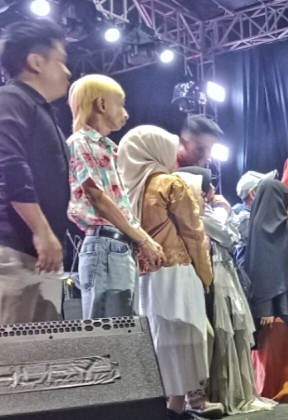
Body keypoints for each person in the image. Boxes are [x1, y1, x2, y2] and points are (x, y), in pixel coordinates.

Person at [118, 126, 212, 420]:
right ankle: (176, 407)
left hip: (145, 273)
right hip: (177, 270)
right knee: (184, 333)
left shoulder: (129, 189)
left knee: (158, 336)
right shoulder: (170, 183)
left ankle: (166, 407)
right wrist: (205, 274)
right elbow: (193, 233)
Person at [176, 168, 275, 416]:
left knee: (226, 332)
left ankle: (224, 393)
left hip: (222, 270)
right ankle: (214, 394)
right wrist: (227, 211)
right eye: (209, 185)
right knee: (221, 333)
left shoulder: (205, 211)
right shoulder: (201, 212)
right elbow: (230, 237)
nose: (213, 189)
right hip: (216, 273)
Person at [66, 74, 165, 319]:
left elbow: (119, 204)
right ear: (101, 104)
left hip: (118, 245)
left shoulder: (109, 148)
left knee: (123, 330)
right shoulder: (79, 143)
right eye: (120, 104)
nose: (126, 113)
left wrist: (139, 240)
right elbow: (98, 199)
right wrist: (143, 240)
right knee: (109, 332)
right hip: (105, 244)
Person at [0, 20, 71, 324]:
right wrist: (42, 232)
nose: (67, 71)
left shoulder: (40, 110)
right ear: (36, 62)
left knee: (39, 349)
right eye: (61, 61)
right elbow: (11, 166)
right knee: (13, 348)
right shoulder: (12, 98)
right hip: (16, 252)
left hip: (38, 256)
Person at [245, 179, 288, 402]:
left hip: (265, 308)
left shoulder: (255, 227)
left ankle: (268, 389)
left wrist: (264, 306)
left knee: (269, 352)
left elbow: (256, 271)